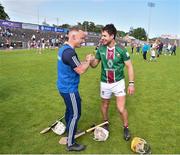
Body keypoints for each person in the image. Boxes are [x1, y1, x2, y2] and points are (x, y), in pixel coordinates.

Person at [90, 24, 135, 141]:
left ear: (112, 36)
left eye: (104, 36)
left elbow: (129, 66)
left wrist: (131, 83)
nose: (102, 38)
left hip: (118, 83)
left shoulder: (121, 49)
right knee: (105, 105)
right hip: (104, 83)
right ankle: (105, 123)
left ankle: (126, 127)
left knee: (121, 108)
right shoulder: (101, 49)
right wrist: (90, 61)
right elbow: (95, 65)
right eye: (102, 35)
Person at [57, 27, 93, 151]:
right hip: (69, 88)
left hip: (63, 87)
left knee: (69, 110)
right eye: (82, 38)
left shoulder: (64, 49)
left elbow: (75, 65)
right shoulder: (69, 53)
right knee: (75, 114)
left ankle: (69, 129)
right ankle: (71, 143)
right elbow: (81, 70)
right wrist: (88, 61)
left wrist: (84, 61)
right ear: (73, 37)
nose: (83, 40)